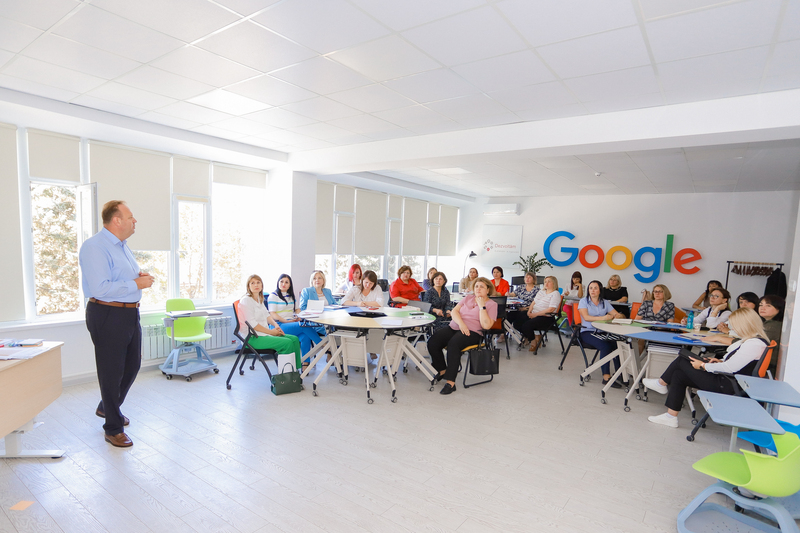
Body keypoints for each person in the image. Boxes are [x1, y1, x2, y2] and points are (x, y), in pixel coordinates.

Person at [79, 200, 154, 448]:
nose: (135, 221)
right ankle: (113, 427)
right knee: (111, 372)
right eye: (130, 217)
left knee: (132, 366)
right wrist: (136, 284)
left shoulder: (123, 247)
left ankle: (107, 407)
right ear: (116, 220)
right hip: (107, 313)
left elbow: (119, 278)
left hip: (129, 313)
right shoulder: (95, 247)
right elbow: (100, 288)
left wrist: (137, 278)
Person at [643, 308, 770, 428]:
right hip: (728, 380)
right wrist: (719, 361)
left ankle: (661, 383)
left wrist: (703, 365)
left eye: (734, 325)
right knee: (679, 374)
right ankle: (670, 417)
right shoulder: (754, 341)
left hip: (727, 384)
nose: (732, 329)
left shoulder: (753, 344)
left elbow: (729, 368)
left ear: (744, 325)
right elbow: (739, 364)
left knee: (682, 360)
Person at [427, 277, 498, 395]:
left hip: (473, 332)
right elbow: (454, 311)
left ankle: (450, 382)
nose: (478, 289)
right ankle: (442, 370)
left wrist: (482, 306)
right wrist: (461, 324)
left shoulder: (492, 304)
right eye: (476, 286)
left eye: (482, 287)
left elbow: (486, 325)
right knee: (433, 342)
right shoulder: (468, 298)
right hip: (456, 326)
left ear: (488, 290)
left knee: (453, 345)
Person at [238, 274, 302, 369]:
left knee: (294, 339)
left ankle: (295, 371)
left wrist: (276, 325)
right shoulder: (246, 300)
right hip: (252, 338)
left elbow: (267, 315)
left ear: (262, 285)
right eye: (253, 283)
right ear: (248, 286)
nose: (256, 285)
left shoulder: (259, 298)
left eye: (258, 282)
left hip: (262, 334)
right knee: (287, 343)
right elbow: (253, 325)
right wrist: (271, 332)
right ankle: (286, 374)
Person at [579, 280, 626, 387]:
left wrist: (619, 316)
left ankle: (620, 374)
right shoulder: (584, 301)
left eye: (595, 288)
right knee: (605, 347)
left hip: (602, 332)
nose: (592, 290)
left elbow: (616, 314)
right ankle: (606, 377)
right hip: (587, 331)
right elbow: (586, 317)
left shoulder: (604, 302)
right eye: (590, 288)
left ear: (600, 290)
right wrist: (603, 318)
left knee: (617, 344)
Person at [267, 274, 322, 367]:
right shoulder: (273, 296)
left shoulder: (291, 296)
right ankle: (322, 344)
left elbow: (297, 309)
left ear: (289, 285)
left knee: (305, 336)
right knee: (304, 326)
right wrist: (286, 321)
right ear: (278, 283)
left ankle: (305, 363)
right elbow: (272, 314)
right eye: (281, 281)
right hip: (278, 325)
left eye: (286, 282)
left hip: (290, 324)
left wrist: (299, 316)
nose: (283, 284)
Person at [518, 276, 562, 353]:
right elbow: (533, 302)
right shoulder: (541, 292)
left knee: (526, 325)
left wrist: (535, 314)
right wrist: (529, 312)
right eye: (545, 282)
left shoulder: (555, 293)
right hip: (534, 313)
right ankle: (535, 336)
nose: (546, 283)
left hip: (546, 317)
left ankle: (533, 341)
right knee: (517, 321)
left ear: (554, 283)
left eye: (549, 281)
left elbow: (551, 309)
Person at [505, 272, 539, 339]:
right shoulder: (521, 287)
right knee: (508, 317)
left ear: (534, 279)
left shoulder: (537, 290)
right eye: (526, 277)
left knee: (518, 323)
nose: (527, 279)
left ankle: (529, 336)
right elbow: (514, 294)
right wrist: (509, 294)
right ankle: (503, 334)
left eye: (529, 277)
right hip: (518, 308)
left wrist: (526, 308)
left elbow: (537, 303)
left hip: (529, 310)